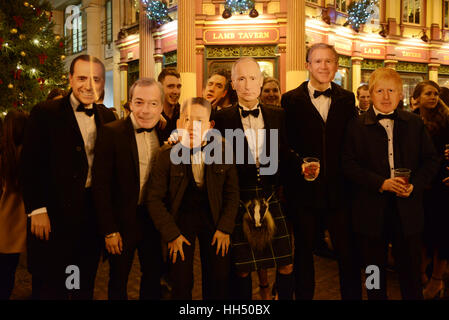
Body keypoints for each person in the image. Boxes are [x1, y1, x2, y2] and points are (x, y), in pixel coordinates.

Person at [20, 54, 116, 300]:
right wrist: (37, 209)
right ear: (70, 79)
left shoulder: (107, 117)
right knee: (51, 285)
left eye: (95, 79)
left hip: (90, 215)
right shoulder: (45, 112)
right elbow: (30, 164)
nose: (89, 85)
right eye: (82, 78)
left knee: (83, 283)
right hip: (54, 214)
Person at [342, 68, 440, 300]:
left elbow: (432, 160)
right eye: (379, 91)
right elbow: (348, 165)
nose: (386, 97)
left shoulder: (415, 124)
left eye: (391, 91)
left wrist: (415, 184)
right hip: (370, 213)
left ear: (400, 95)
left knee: (410, 275)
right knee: (374, 273)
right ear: (371, 94)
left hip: (407, 213)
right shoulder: (356, 125)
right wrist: (381, 183)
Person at [282, 43, 361, 300]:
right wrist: (298, 166)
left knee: (347, 253)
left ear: (337, 66)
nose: (324, 66)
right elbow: (285, 144)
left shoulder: (347, 99)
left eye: (329, 61)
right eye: (318, 61)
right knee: (303, 252)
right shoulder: (290, 99)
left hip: (340, 191)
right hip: (304, 192)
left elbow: (353, 143)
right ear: (308, 65)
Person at [214, 57, 294, 300]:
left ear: (260, 82)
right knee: (242, 270)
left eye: (252, 78)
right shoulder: (221, 118)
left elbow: (287, 153)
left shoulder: (278, 115)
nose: (247, 85)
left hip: (272, 194)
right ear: (233, 84)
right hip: (239, 198)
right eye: (241, 79)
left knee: (287, 263)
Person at [147, 97, 239, 299]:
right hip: (181, 215)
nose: (191, 126)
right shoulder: (166, 154)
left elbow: (232, 194)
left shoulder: (224, 150)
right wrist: (171, 234)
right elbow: (154, 199)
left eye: (198, 121)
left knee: (218, 277)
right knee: (180, 279)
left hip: (213, 213)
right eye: (186, 119)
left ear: (209, 126)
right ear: (179, 123)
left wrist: (225, 228)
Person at [92, 78, 165, 300]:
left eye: (153, 104)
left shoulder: (166, 131)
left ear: (161, 106)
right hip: (122, 221)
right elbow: (100, 185)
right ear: (130, 104)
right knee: (118, 279)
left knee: (153, 276)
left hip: (153, 219)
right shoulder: (111, 132)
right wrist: (109, 230)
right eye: (139, 102)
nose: (145, 110)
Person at [412, 81, 449, 299]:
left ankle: (437, 280)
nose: (433, 97)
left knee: (441, 234)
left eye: (436, 93)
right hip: (420, 185)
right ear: (416, 97)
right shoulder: (411, 119)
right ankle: (422, 275)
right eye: (428, 93)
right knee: (423, 233)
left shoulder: (446, 120)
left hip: (442, 184)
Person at [0, 110, 29, 299]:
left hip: (3, 220)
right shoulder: (29, 155)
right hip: (18, 223)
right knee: (7, 272)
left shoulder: (4, 155)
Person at [158, 68, 182, 142]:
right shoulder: (153, 115)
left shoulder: (184, 114)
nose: (176, 91)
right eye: (170, 86)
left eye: (178, 87)